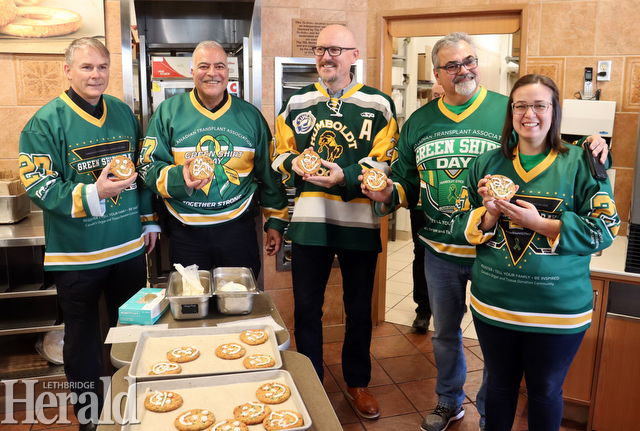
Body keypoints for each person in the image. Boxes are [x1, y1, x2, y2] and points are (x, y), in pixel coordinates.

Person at [362, 32, 610, 431]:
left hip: (497, 259)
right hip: (441, 250)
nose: (464, 70)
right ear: (437, 74)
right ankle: (449, 402)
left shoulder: (506, 109)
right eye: (453, 65)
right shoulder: (419, 121)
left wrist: (597, 144)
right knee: (445, 334)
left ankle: (489, 411)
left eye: (470, 61)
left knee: (500, 359)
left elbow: (548, 140)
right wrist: (387, 191)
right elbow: (407, 183)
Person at [449, 74, 619, 430]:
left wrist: (539, 224)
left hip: (558, 311)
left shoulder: (583, 162)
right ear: (511, 112)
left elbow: (605, 230)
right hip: (494, 306)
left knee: (545, 390)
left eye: (540, 105)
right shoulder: (485, 164)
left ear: (555, 111)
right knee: (498, 385)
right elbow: (459, 225)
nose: (530, 114)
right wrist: (491, 213)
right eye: (521, 105)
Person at [18, 38, 158, 430]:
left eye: (101, 67)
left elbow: (140, 167)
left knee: (129, 336)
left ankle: (130, 408)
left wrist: (148, 218)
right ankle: (90, 420)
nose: (96, 75)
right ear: (67, 70)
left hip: (128, 248)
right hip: (78, 256)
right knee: (81, 343)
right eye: (86, 67)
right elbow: (39, 185)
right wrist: (92, 192)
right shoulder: (45, 122)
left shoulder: (122, 113)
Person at [271, 24, 398, 420]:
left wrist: (344, 176)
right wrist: (297, 163)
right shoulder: (296, 103)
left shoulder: (379, 104)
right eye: (322, 50)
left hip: (359, 222)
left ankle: (357, 382)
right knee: (307, 308)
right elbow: (278, 153)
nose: (328, 57)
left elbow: (384, 159)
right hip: (310, 222)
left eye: (337, 50)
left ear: (354, 56)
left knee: (359, 309)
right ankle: (310, 384)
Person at [137, 41, 288, 277]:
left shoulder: (251, 116)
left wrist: (276, 222)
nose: (212, 73)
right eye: (203, 66)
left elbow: (269, 174)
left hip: (237, 230)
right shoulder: (167, 112)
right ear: (192, 70)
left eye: (219, 66)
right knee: (193, 305)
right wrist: (180, 177)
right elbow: (147, 167)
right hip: (185, 231)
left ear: (228, 72)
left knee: (238, 304)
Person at [410, 82, 445, 333]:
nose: (439, 100)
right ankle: (423, 310)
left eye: (442, 96)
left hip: (458, 208)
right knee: (421, 256)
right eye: (435, 96)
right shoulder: (419, 123)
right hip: (423, 206)